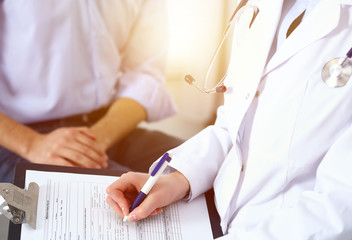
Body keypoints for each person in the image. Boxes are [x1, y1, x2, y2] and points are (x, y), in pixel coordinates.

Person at [106, 0, 352, 239]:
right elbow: (235, 125)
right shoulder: (262, 6)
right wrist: (177, 180)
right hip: (215, 218)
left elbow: (339, 207)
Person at [0, 0, 183, 194]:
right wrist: (32, 144)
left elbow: (145, 75)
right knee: (126, 197)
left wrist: (93, 141)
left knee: (197, 168)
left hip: (106, 128)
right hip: (14, 138)